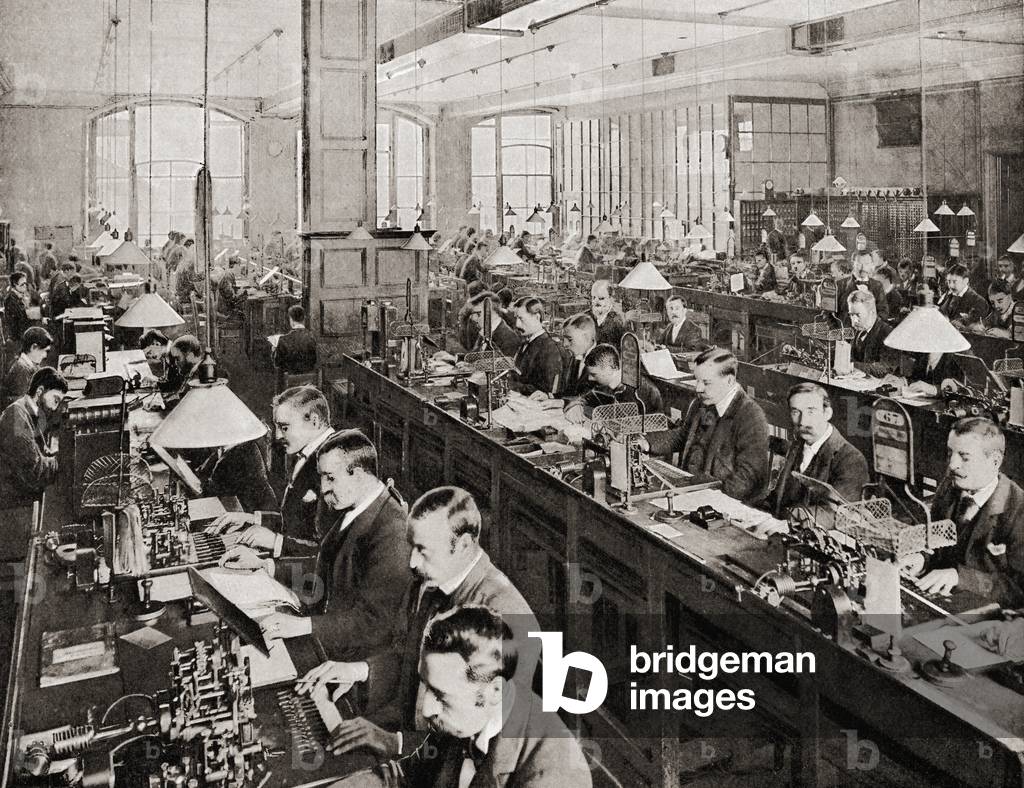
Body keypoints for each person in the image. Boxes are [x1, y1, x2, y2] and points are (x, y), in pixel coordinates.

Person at [295, 487, 538, 763]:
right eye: (411, 547)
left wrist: (395, 743)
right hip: (409, 734)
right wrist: (360, 670)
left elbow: (483, 745)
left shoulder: (509, 616)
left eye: (423, 550)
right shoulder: (434, 583)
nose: (412, 562)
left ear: (465, 545)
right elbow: (412, 658)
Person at [225, 429, 412, 660]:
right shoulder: (355, 506)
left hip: (348, 661)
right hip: (325, 635)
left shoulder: (392, 530)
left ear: (360, 475)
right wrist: (267, 567)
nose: (323, 488)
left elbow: (374, 624)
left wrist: (304, 626)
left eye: (330, 477)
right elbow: (327, 571)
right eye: (322, 477)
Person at [416, 606, 592, 788]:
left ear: (495, 691)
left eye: (440, 696)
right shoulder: (468, 711)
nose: (427, 709)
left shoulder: (553, 774)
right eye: (425, 685)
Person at [900, 418, 1024, 605]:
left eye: (964, 457)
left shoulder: (1018, 509)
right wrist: (921, 558)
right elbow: (935, 540)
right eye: (950, 453)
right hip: (948, 603)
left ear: (995, 461)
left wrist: (960, 577)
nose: (952, 464)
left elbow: (1018, 590)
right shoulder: (951, 486)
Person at [210, 385, 333, 561]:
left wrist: (275, 541)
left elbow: (329, 553)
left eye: (284, 428)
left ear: (314, 421)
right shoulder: (309, 454)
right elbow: (297, 522)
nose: (277, 436)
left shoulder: (333, 465)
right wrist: (252, 519)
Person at [644, 348, 769, 504]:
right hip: (693, 493)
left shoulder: (751, 416)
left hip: (725, 505)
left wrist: (707, 499)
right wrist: (647, 443)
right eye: (697, 380)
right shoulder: (702, 403)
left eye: (706, 382)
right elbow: (683, 435)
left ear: (729, 381)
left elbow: (747, 478)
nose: (698, 388)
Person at [771, 383, 869, 517]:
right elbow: (778, 498)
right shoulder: (797, 446)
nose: (803, 421)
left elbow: (837, 514)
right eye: (796, 412)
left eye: (811, 411)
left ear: (827, 413)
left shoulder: (851, 458)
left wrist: (789, 520)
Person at [0, 367, 66, 509]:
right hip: (11, 505)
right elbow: (33, 470)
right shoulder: (16, 416)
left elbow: (37, 451)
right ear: (40, 391)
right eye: (55, 400)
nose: (55, 408)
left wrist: (52, 455)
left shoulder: (26, 410)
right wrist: (62, 461)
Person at [563, 343, 663, 424]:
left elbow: (654, 424)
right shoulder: (604, 385)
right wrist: (576, 406)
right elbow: (586, 399)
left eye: (594, 374)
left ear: (611, 369)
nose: (590, 378)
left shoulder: (639, 390)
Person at [435, 291, 521, 362]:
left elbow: (502, 374)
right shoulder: (485, 331)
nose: (474, 319)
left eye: (478, 314)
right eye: (473, 315)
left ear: (491, 312)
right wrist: (454, 358)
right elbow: (476, 358)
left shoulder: (509, 339)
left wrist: (470, 368)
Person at [509, 297, 562, 396]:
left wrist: (510, 385)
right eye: (516, 318)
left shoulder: (549, 348)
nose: (517, 324)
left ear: (537, 317)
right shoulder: (525, 342)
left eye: (521, 318)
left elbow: (544, 390)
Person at [1, 327, 53, 407]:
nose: (45, 356)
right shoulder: (21, 369)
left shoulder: (29, 364)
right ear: (34, 347)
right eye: (45, 351)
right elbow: (25, 406)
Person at [847, 291, 894, 373]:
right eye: (851, 315)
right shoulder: (857, 329)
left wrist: (851, 365)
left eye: (858, 315)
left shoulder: (888, 333)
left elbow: (885, 368)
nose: (854, 320)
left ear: (871, 313)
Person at [556, 312, 597, 399]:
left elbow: (592, 400)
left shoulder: (600, 360)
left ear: (586, 337)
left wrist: (563, 402)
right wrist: (549, 396)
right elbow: (570, 392)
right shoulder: (575, 357)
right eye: (563, 339)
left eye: (570, 339)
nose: (564, 345)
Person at [838, 252, 888, 321]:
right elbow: (828, 314)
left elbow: (883, 312)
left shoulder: (878, 285)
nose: (863, 268)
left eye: (866, 264)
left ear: (871, 265)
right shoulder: (839, 285)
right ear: (853, 264)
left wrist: (870, 326)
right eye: (859, 264)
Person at [274, 304, 319, 375]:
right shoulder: (312, 337)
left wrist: (274, 351)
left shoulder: (282, 339)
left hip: (289, 381)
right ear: (304, 318)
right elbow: (314, 361)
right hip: (308, 381)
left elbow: (278, 364)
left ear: (291, 319)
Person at [161, 334, 204, 403]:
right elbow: (182, 394)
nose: (175, 363)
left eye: (177, 358)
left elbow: (187, 402)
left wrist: (163, 404)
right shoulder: (193, 370)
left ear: (190, 355)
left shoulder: (200, 373)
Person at [589, 279, 625, 347]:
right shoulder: (587, 316)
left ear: (610, 298)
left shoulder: (618, 321)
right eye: (593, 298)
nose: (596, 302)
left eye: (601, 298)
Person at [4, 272, 32, 346]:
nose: (25, 286)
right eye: (22, 284)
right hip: (17, 338)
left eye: (25, 284)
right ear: (14, 285)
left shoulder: (22, 296)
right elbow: (20, 320)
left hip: (23, 333)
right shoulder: (10, 299)